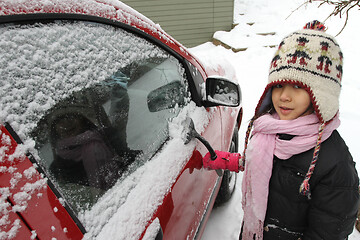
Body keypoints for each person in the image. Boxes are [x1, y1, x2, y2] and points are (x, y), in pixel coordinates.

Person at [202, 20, 359, 239]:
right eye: (278, 85)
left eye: (297, 86)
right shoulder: (270, 127)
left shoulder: (334, 164)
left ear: (321, 94)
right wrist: (230, 161)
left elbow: (327, 233)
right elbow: (269, 164)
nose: (284, 96)